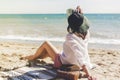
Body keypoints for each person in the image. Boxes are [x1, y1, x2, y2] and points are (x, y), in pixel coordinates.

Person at [22, 6, 96, 80]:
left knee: (46, 43)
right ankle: (34, 57)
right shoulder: (87, 34)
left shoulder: (70, 37)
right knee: (47, 53)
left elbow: (80, 58)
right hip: (79, 64)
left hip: (63, 64)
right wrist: (80, 14)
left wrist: (89, 75)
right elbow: (80, 56)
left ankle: (31, 57)